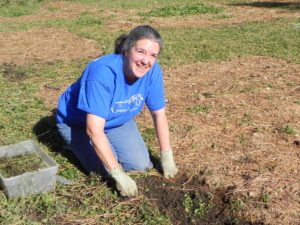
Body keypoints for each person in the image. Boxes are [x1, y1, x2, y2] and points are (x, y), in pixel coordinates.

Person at [56, 25, 178, 197]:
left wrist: (167, 155)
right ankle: (75, 144)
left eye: (153, 55)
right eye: (141, 52)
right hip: (79, 124)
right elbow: (94, 130)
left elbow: (159, 114)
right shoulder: (102, 73)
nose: (146, 61)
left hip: (117, 119)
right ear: (127, 50)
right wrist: (118, 173)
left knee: (139, 166)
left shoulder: (152, 71)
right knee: (105, 173)